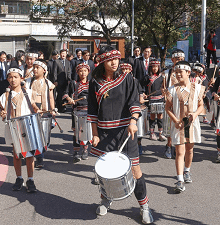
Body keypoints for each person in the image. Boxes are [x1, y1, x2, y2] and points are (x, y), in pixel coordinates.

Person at [88, 46, 154, 224]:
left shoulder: (127, 79)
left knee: (135, 170)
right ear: (102, 61)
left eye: (116, 58)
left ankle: (144, 206)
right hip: (104, 133)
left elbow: (134, 102)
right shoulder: (95, 82)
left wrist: (133, 121)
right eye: (110, 59)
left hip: (126, 132)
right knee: (106, 172)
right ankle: (106, 199)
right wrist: (94, 134)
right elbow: (93, 112)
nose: (114, 62)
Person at [165, 61, 204, 193]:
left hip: (192, 124)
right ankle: (180, 180)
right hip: (178, 125)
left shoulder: (197, 87)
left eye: (180, 72)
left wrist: (195, 114)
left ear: (188, 72)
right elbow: (168, 108)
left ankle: (187, 170)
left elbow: (201, 106)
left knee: (189, 150)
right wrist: (175, 120)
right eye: (176, 72)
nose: (178, 74)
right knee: (180, 152)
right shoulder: (171, 89)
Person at [0, 68, 41, 192]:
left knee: (29, 155)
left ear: (21, 78)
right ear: (7, 79)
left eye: (16, 77)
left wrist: (38, 111)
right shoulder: (5, 95)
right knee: (16, 155)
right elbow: (3, 113)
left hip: (27, 126)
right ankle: (19, 178)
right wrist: (2, 113)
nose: (13, 80)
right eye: (10, 77)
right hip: (13, 128)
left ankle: (31, 179)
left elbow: (35, 107)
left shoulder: (28, 92)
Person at [25, 59, 55, 168]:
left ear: (44, 70)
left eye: (38, 67)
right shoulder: (28, 81)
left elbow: (51, 97)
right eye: (34, 67)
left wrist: (53, 109)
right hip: (31, 112)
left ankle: (40, 154)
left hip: (45, 112)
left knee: (43, 137)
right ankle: (39, 158)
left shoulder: (48, 83)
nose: (35, 69)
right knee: (34, 135)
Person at [63, 63, 90, 162]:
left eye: (85, 71)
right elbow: (65, 94)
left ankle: (85, 150)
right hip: (76, 111)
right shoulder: (74, 83)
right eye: (81, 71)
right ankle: (76, 151)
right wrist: (70, 99)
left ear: (88, 72)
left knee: (86, 132)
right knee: (76, 132)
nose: (83, 73)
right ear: (78, 72)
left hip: (88, 111)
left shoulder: (91, 84)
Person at [161, 49, 185, 159]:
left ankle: (178, 147)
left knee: (181, 126)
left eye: (182, 59)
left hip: (182, 103)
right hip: (171, 102)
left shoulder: (186, 72)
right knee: (171, 126)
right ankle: (169, 145)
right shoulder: (167, 73)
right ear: (172, 60)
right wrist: (163, 91)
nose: (180, 61)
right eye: (177, 59)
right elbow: (163, 87)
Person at [142, 59, 167, 141]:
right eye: (153, 67)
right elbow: (142, 87)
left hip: (160, 98)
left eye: (156, 67)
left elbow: (164, 87)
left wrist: (164, 93)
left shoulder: (162, 76)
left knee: (160, 116)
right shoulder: (147, 77)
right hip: (151, 99)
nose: (155, 68)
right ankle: (152, 133)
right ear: (150, 67)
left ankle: (160, 133)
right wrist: (143, 94)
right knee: (152, 116)